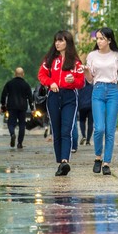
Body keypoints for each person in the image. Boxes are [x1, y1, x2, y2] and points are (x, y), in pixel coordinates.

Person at [38, 30, 86, 176]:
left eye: (60, 41)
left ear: (67, 42)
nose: (57, 43)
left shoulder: (76, 62)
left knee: (66, 130)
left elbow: (81, 82)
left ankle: (65, 161)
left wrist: (73, 81)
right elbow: (41, 75)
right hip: (53, 96)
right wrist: (50, 83)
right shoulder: (50, 59)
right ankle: (60, 162)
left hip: (69, 97)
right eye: (56, 41)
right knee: (56, 130)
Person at [84, 27, 118, 176]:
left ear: (109, 40)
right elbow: (90, 80)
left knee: (110, 130)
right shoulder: (92, 55)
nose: (99, 41)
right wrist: (86, 71)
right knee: (99, 128)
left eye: (101, 38)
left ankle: (106, 163)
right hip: (97, 90)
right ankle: (98, 157)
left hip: (113, 92)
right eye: (97, 38)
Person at [0, 67, 34, 149]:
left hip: (12, 106)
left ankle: (12, 134)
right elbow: (30, 98)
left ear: (15, 74)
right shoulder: (26, 85)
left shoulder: (9, 83)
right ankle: (19, 143)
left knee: (11, 123)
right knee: (22, 124)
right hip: (22, 107)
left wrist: (3, 105)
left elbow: (3, 95)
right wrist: (32, 108)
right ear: (23, 74)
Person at [78, 79, 93, 146]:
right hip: (91, 106)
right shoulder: (92, 85)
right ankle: (88, 140)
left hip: (82, 106)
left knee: (82, 121)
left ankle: (84, 135)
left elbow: (78, 96)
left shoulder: (80, 85)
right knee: (90, 123)